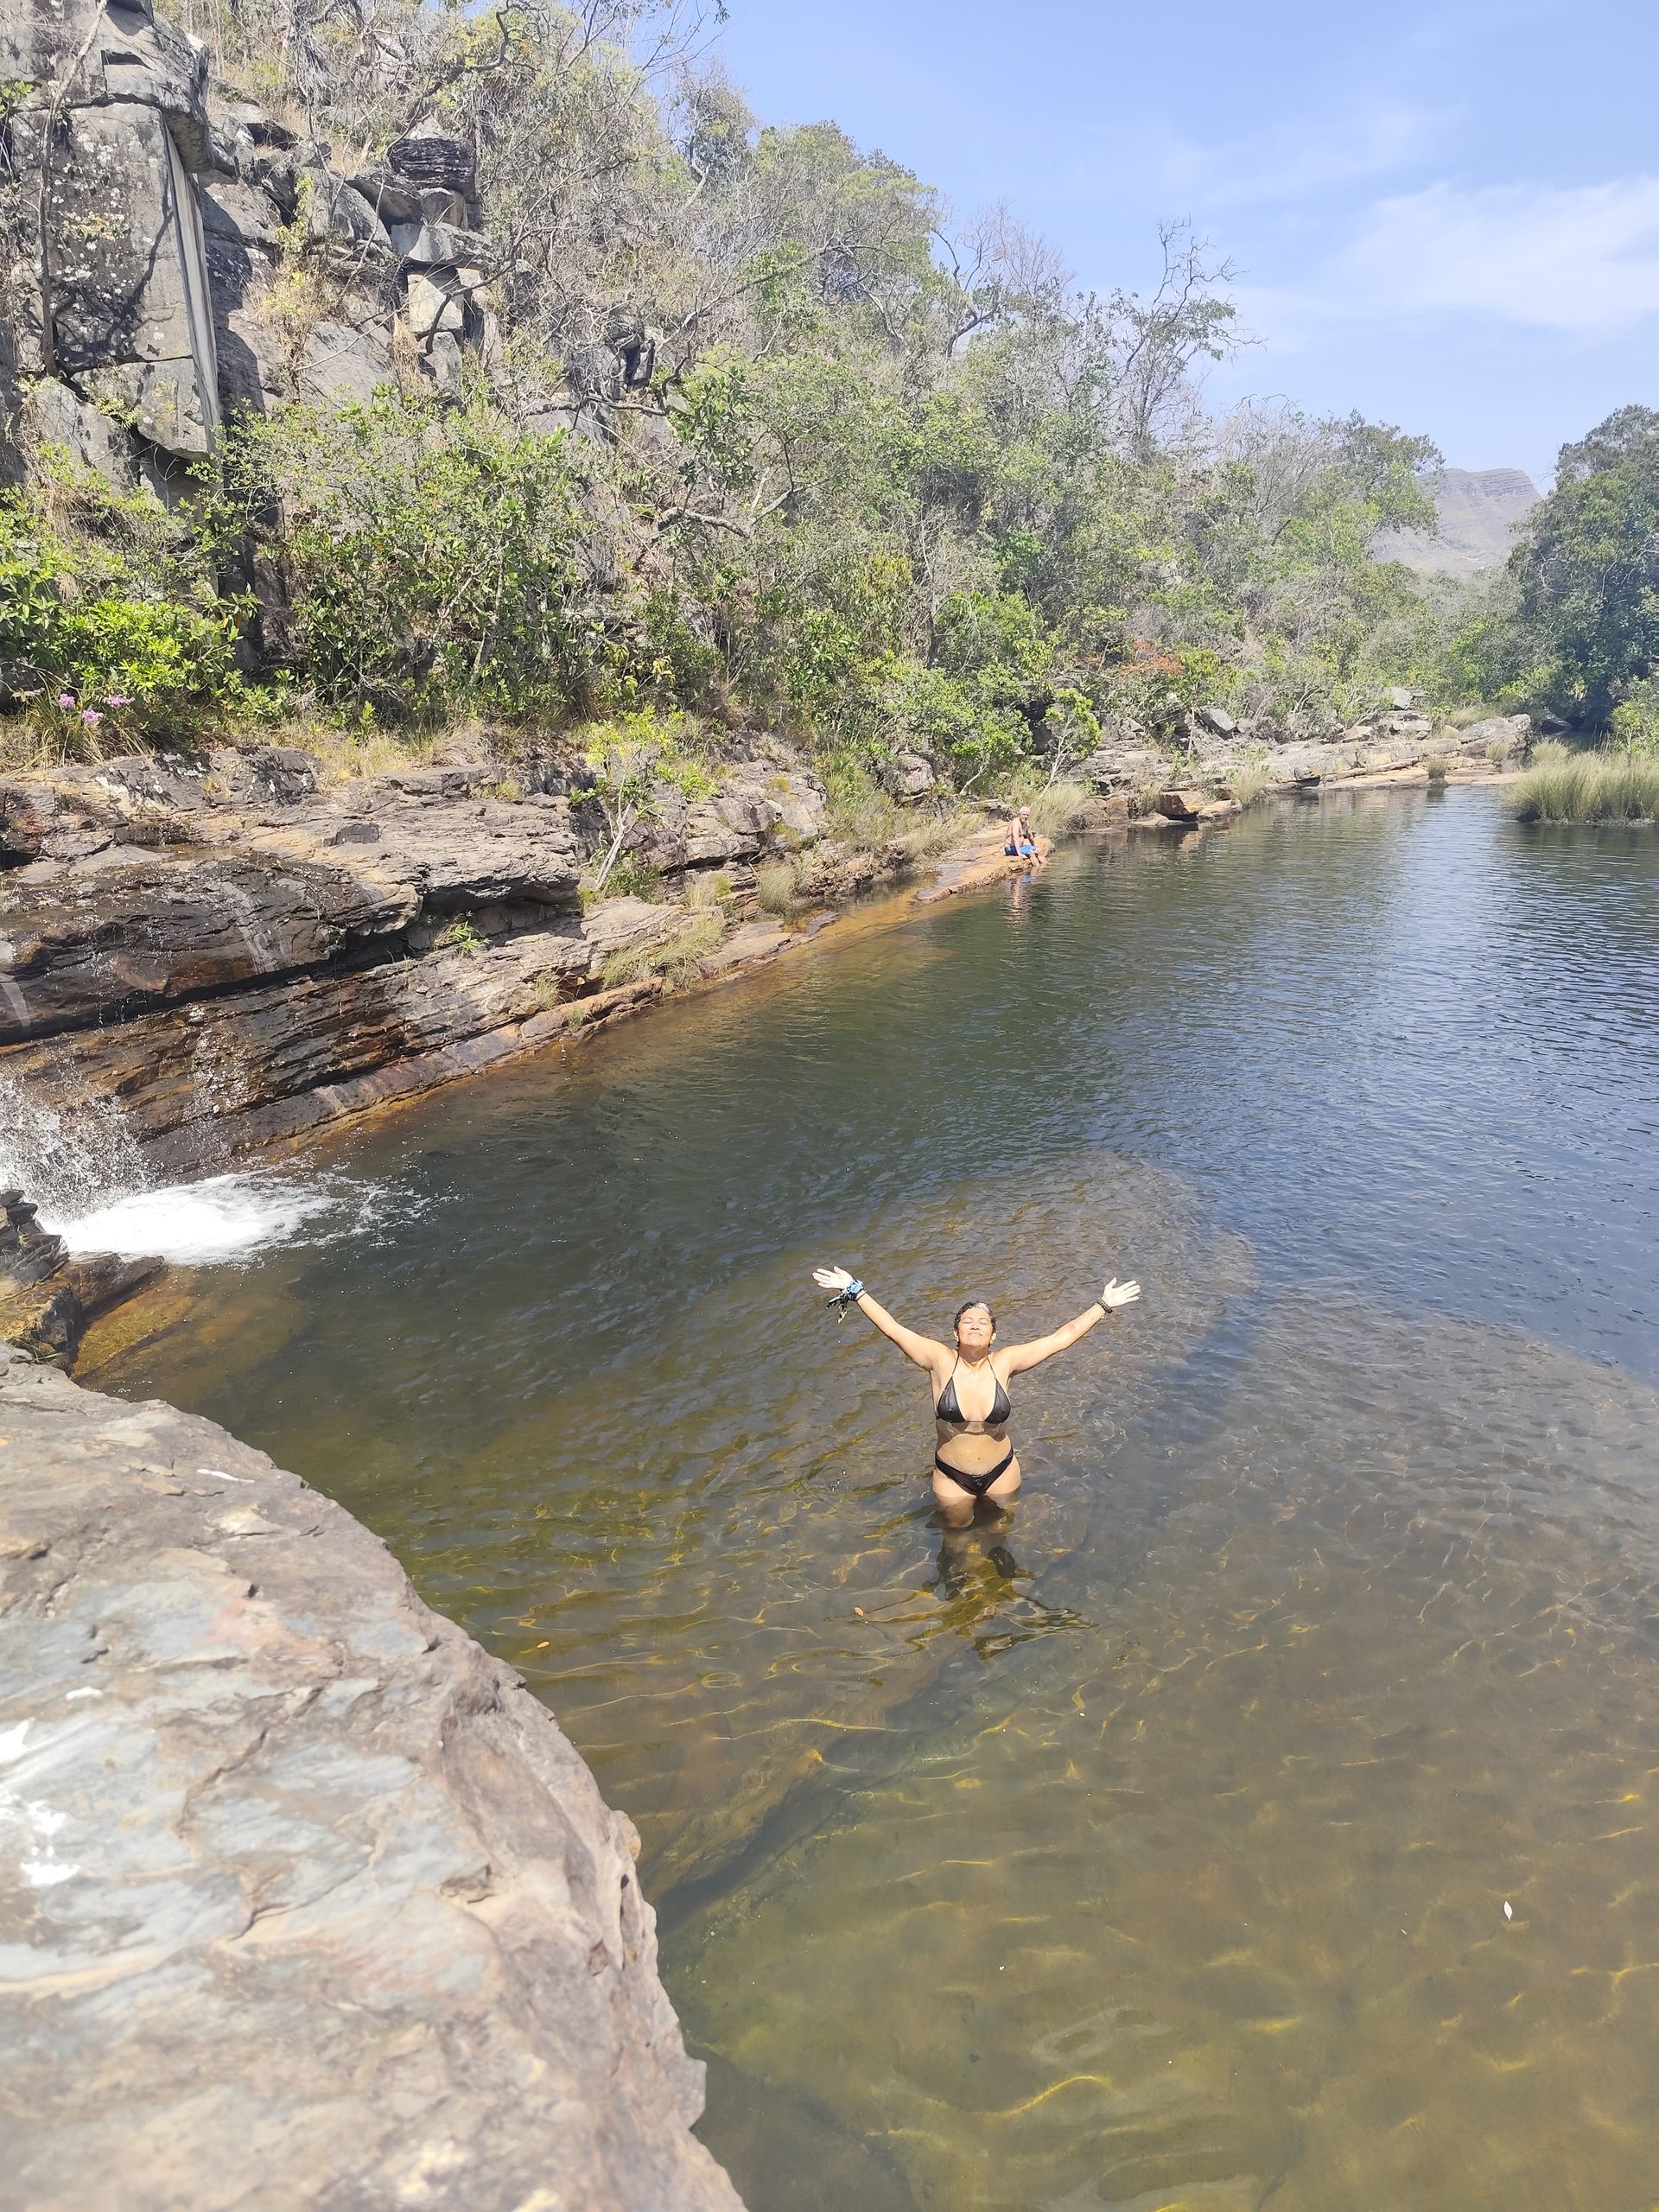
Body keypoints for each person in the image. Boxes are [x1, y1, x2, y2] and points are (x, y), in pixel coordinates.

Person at [810, 1267, 1142, 1524]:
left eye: (983, 1322)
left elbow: (1060, 1338)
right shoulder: (938, 1360)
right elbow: (894, 1329)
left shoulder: (1006, 1362)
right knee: (955, 1538)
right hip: (952, 1475)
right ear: (955, 1332)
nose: (975, 1325)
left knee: (999, 1531)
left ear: (993, 1335)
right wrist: (856, 1291)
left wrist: (1102, 1305)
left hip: (1002, 1470)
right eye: (967, 1320)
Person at [1003, 804, 1045, 869]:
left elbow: (1030, 836)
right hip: (1010, 848)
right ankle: (1036, 873)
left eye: (1027, 815)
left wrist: (1034, 846)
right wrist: (1019, 853)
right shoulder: (1016, 823)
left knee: (1039, 851)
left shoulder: (1026, 823)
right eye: (1024, 815)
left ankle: (1043, 869)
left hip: (1021, 847)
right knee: (1031, 853)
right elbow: (1015, 838)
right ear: (1019, 814)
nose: (1026, 816)